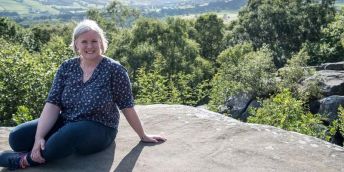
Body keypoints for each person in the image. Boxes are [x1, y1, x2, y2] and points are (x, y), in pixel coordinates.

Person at [0, 19, 166, 170]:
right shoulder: (66, 68)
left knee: (72, 132)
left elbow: (127, 106)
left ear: (101, 43)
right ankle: (41, 148)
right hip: (67, 121)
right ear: (76, 44)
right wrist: (38, 138)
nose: (90, 46)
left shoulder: (114, 70)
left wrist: (142, 135)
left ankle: (26, 160)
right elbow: (52, 103)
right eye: (84, 41)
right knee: (17, 137)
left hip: (100, 128)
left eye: (94, 41)